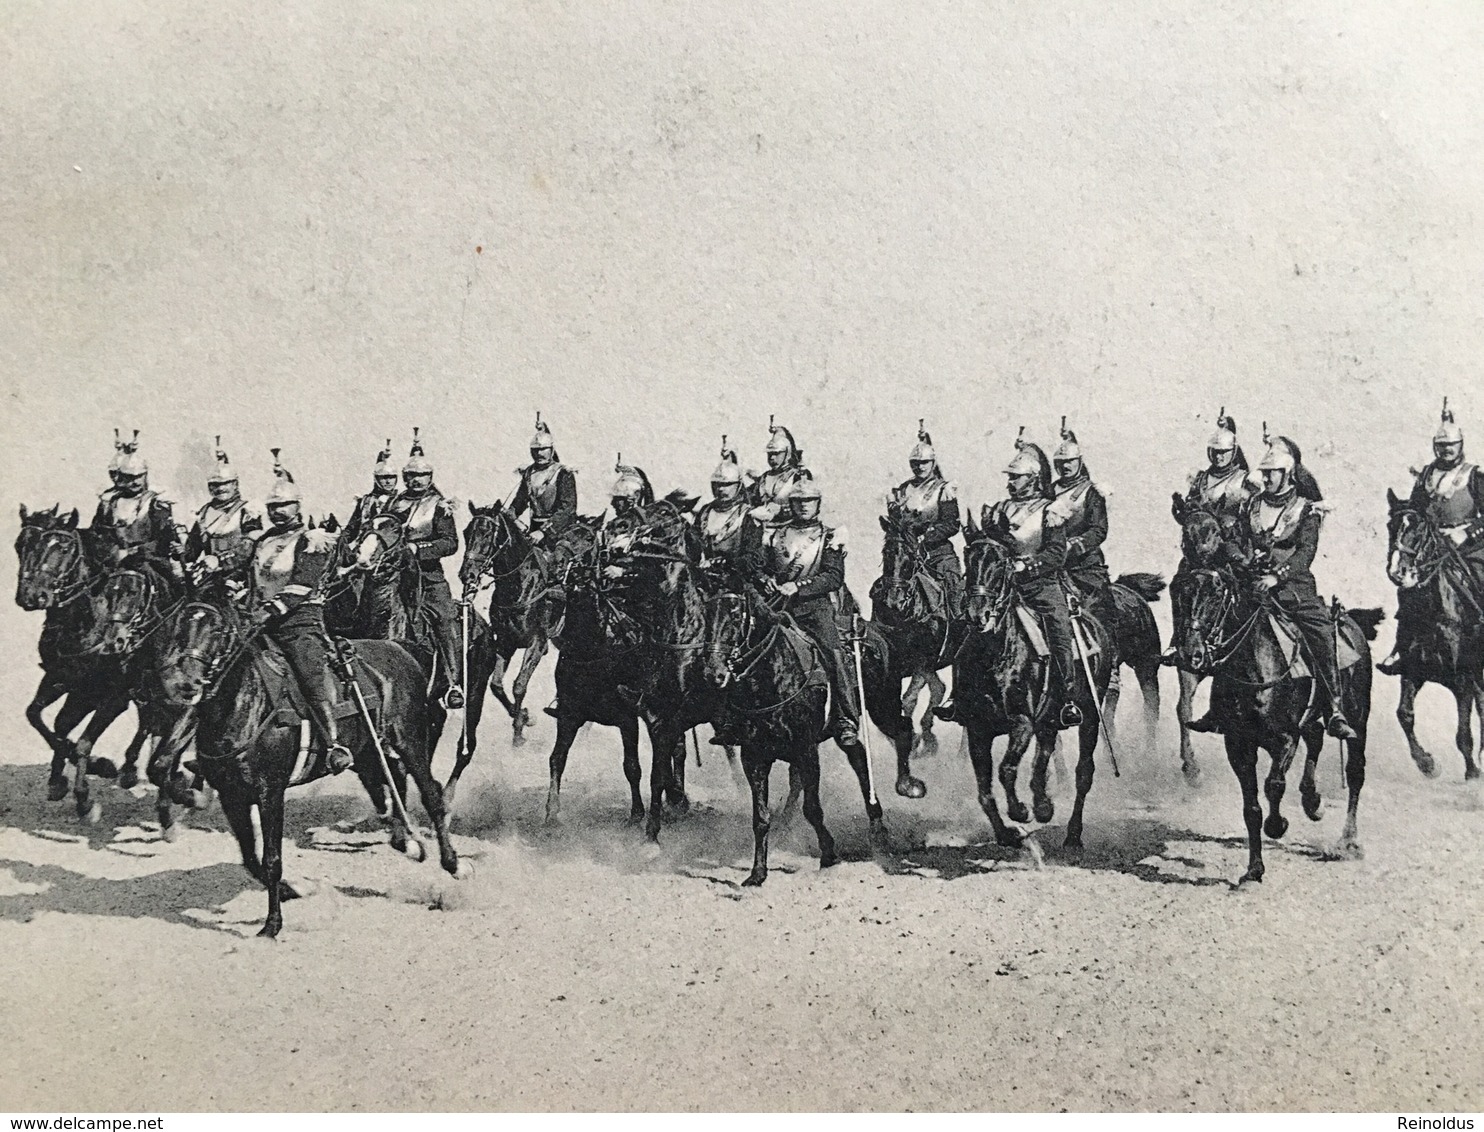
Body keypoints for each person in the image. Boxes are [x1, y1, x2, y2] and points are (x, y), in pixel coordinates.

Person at [1190, 433, 1358, 739]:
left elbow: (1305, 553)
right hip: (1251, 584)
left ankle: (1334, 708)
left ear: (1287, 473)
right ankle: (1218, 708)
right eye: (1264, 472)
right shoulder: (1251, 504)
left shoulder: (1306, 509)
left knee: (1320, 631)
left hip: (1292, 589)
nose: (1265, 477)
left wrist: (1276, 576)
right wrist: (1244, 562)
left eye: (1272, 473)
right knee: (1220, 626)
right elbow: (1232, 540)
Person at [942, 432, 1083, 729]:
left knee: (1058, 629)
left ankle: (1067, 699)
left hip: (1040, 585)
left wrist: (1028, 567)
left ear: (1031, 479)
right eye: (1010, 478)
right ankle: (958, 696)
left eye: (1016, 478)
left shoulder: (1051, 509)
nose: (1010, 482)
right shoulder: (1001, 508)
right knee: (968, 634)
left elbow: (1056, 553)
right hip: (1004, 586)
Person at [249, 450, 352, 774]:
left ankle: (334, 744)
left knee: (309, 674)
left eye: (285, 506)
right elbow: (250, 580)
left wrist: (272, 609)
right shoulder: (262, 541)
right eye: (273, 507)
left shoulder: (311, 539)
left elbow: (303, 583)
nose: (278, 512)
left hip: (299, 622)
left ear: (298, 506)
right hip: (261, 623)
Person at [742, 470, 862, 745]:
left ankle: (845, 718)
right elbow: (760, 565)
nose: (803, 506)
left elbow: (833, 576)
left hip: (813, 608)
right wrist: (766, 579)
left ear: (818, 503)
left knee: (834, 654)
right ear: (791, 505)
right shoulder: (774, 534)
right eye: (798, 502)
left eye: (809, 501)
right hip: (776, 606)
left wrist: (798, 586)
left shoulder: (829, 536)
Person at [1379, 398, 1484, 674]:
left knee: (1480, 580)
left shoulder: (1474, 476)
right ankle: (1403, 647)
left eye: (1451, 446)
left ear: (1460, 445)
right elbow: (1415, 509)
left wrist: (1467, 533)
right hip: (1434, 545)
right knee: (1409, 586)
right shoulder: (1427, 473)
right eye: (1441, 446)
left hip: (1470, 547)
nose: (1446, 451)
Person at [388, 429, 465, 709]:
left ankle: (453, 683)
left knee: (444, 620)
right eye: (410, 476)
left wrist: (418, 550)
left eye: (421, 475)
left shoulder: (439, 505)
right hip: (394, 575)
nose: (415, 480)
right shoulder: (394, 503)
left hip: (428, 578)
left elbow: (450, 543)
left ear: (430, 477)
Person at [883, 420, 964, 620]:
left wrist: (927, 537)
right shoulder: (902, 490)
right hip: (907, 554)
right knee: (884, 588)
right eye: (915, 463)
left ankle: (958, 631)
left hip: (937, 554)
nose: (920, 467)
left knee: (953, 595)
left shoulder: (944, 489)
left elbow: (952, 524)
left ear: (933, 463)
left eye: (924, 463)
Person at [1046, 418, 1115, 632]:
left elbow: (1098, 530)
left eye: (1070, 461)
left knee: (1102, 607)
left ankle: (1110, 654)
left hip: (1084, 563)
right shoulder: (1048, 492)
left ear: (1079, 462)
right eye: (1061, 462)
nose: (1066, 466)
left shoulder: (1092, 492)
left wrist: (1076, 546)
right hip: (1052, 561)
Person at [87, 430, 183, 581]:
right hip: (113, 560)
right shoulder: (109, 503)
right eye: (129, 477)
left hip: (148, 561)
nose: (135, 482)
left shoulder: (156, 503)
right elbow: (96, 534)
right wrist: (112, 551)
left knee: (175, 586)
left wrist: (135, 552)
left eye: (139, 477)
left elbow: (164, 540)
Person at [183, 436, 260, 599]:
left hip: (240, 574)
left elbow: (248, 549)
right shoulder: (204, 513)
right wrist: (180, 553)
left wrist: (219, 560)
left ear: (235, 484)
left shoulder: (248, 511)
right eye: (215, 485)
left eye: (226, 483)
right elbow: (192, 549)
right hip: (209, 575)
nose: (221, 489)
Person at [512, 414, 579, 547]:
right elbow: (519, 502)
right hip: (534, 530)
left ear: (551, 450)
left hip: (560, 532)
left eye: (543, 449)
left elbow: (567, 509)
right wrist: (512, 517)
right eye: (535, 450)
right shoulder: (528, 473)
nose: (539, 453)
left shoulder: (563, 473)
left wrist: (544, 532)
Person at [695, 437, 752, 575]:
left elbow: (752, 555)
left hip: (735, 576)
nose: (721, 489)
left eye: (727, 485)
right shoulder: (705, 511)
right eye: (717, 484)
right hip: (702, 573)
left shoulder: (747, 515)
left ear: (738, 486)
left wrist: (723, 564)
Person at [747, 417, 809, 524]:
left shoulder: (798, 475)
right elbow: (752, 500)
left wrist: (780, 510)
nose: (772, 458)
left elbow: (806, 506)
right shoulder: (764, 478)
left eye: (776, 454)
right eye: (770, 454)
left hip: (788, 529)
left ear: (786, 453)